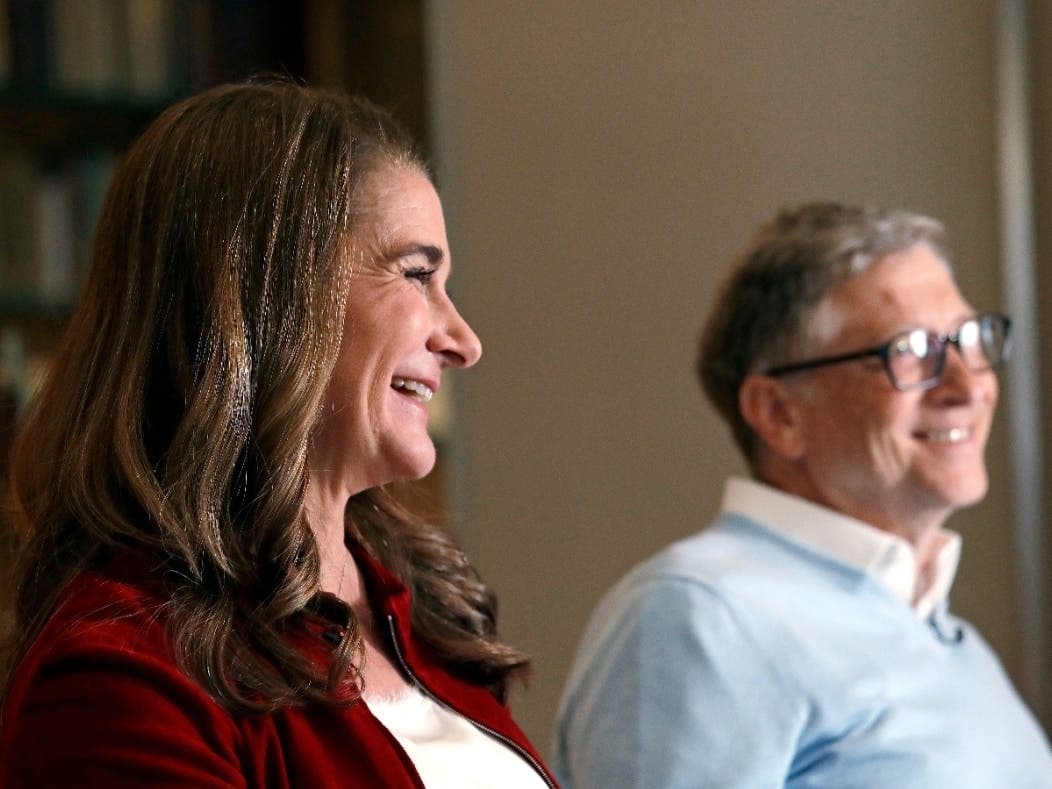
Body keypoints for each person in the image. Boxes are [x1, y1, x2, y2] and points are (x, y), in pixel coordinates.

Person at [0, 79, 557, 788]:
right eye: (417, 274)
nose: (463, 340)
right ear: (276, 296)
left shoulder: (428, 615)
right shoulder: (120, 673)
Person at [553, 201, 1052, 787]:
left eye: (968, 339)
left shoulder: (942, 633)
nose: (967, 385)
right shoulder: (699, 615)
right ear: (778, 412)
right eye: (912, 351)